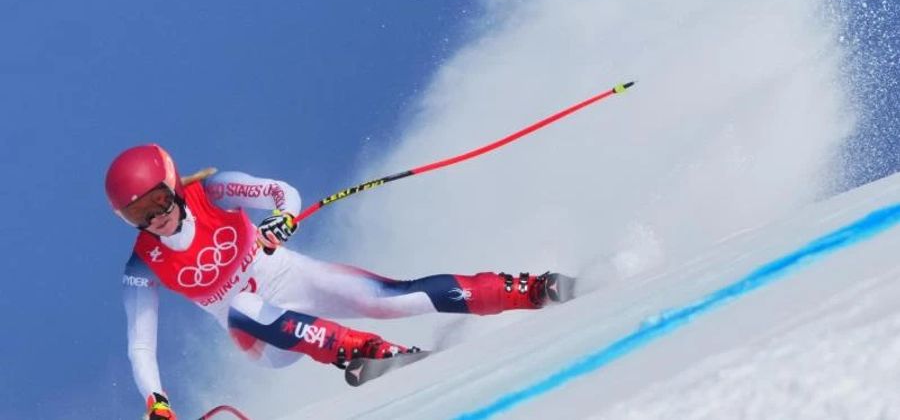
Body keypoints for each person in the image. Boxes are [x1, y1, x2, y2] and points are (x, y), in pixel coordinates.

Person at [107, 144, 575, 420]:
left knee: (394, 298)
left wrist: (282, 219)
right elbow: (140, 345)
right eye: (138, 214)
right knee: (243, 308)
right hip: (261, 337)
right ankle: (368, 351)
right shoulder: (142, 264)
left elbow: (279, 192)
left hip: (291, 277)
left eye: (159, 202)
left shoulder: (212, 190)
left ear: (173, 184)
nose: (156, 219)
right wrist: (158, 403)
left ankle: (533, 289)